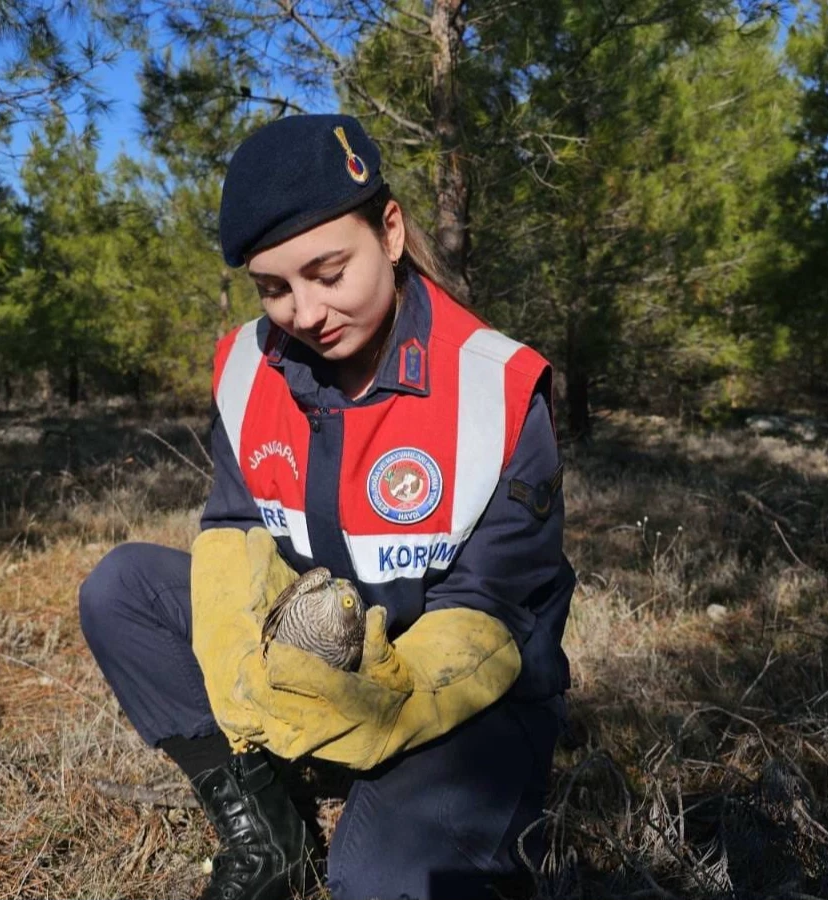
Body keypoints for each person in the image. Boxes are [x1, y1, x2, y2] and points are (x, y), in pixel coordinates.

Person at [78, 114, 575, 901]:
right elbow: (235, 529)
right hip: (312, 659)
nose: (304, 312)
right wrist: (242, 671)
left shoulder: (496, 386)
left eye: (327, 271)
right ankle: (268, 828)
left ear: (388, 229)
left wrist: (390, 703)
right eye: (273, 288)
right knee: (124, 588)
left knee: (381, 883)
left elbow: (491, 607)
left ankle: (420, 807)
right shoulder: (249, 367)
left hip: (457, 701)